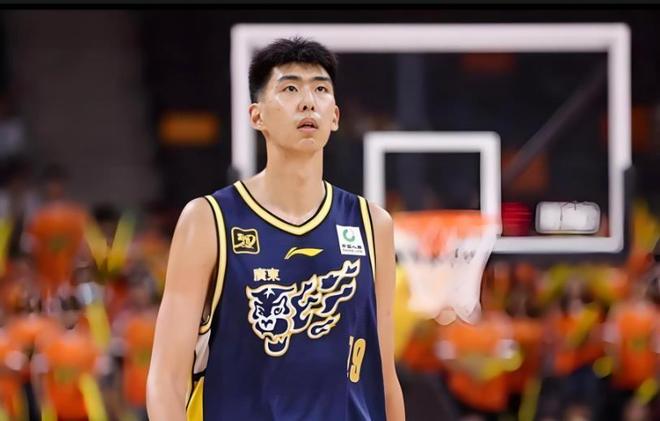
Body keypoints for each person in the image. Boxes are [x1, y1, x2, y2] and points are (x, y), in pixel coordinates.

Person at [147, 37, 405, 420]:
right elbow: (166, 379)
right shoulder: (208, 220)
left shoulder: (372, 225)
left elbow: (383, 379)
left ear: (335, 116)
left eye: (320, 89)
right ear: (257, 116)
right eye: (290, 89)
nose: (308, 101)